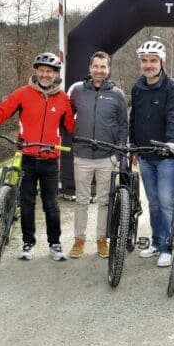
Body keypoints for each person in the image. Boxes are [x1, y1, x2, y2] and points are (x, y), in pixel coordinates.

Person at [0, 52, 75, 262]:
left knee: (51, 204)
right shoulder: (23, 93)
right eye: (42, 70)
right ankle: (28, 242)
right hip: (27, 156)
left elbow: (70, 127)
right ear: (36, 71)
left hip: (50, 159)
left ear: (56, 74)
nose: (45, 74)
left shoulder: (63, 99)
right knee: (26, 202)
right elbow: (2, 110)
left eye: (49, 71)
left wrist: (78, 114)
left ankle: (55, 243)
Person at [67, 51, 128, 259]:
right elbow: (66, 117)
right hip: (82, 156)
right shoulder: (77, 91)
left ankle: (102, 240)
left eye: (103, 67)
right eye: (96, 66)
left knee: (104, 201)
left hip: (106, 157)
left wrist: (117, 154)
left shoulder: (117, 94)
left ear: (108, 69)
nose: (99, 70)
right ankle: (79, 240)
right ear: (90, 68)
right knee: (81, 201)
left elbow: (123, 125)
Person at [129, 39, 174, 268]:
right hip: (145, 155)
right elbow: (134, 118)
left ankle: (168, 247)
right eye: (145, 61)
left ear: (162, 62)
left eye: (153, 60)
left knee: (166, 201)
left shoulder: (172, 87)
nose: (148, 65)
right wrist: (133, 145)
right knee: (153, 202)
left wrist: (171, 142)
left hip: (166, 157)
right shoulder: (137, 88)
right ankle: (157, 241)